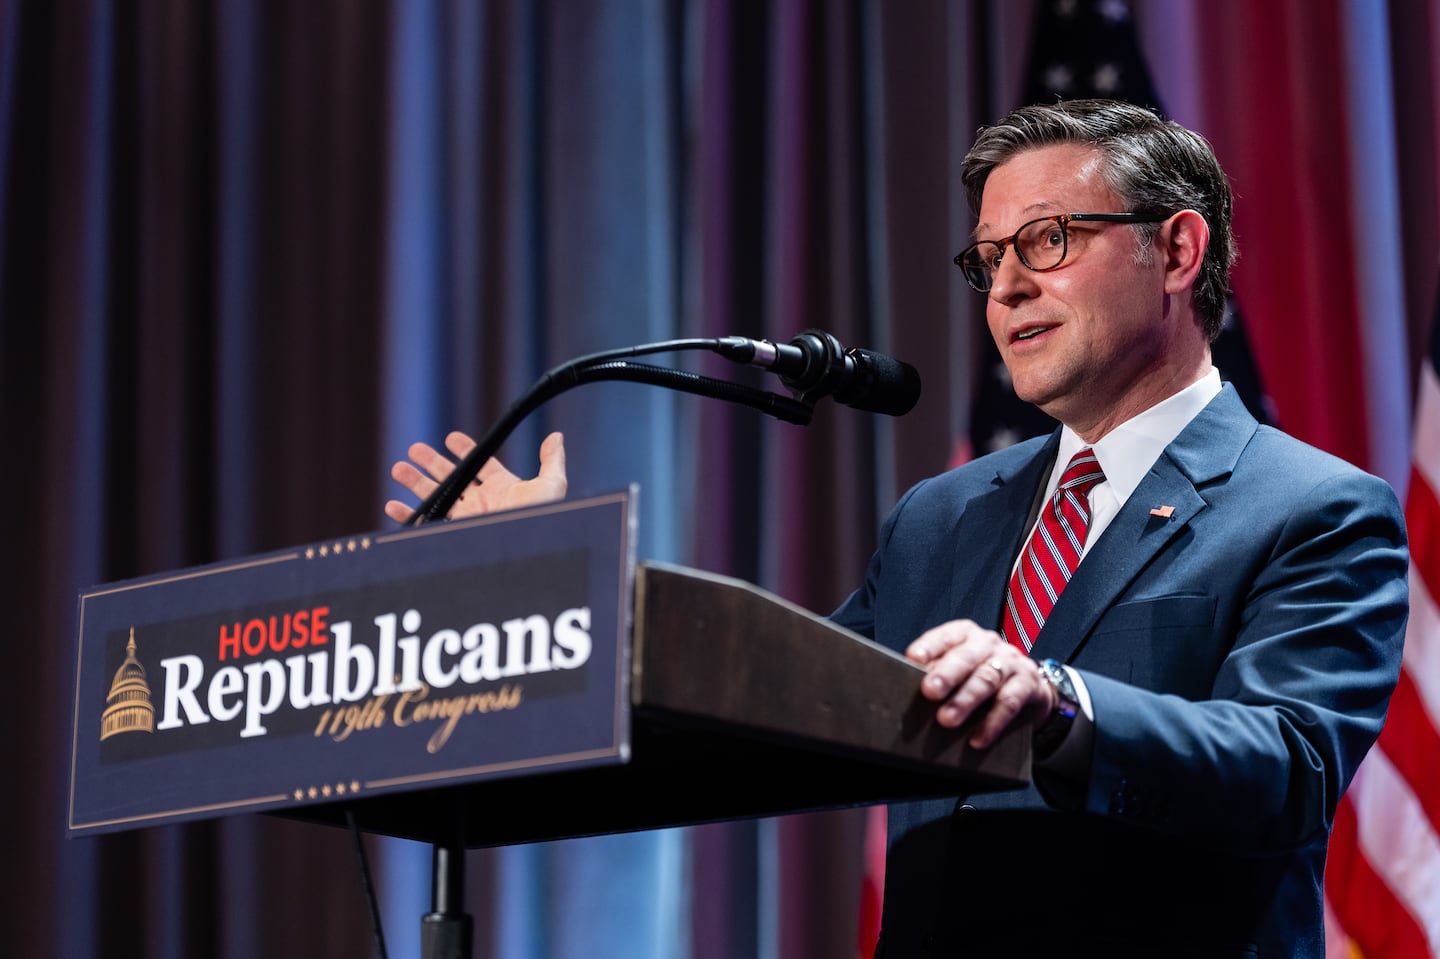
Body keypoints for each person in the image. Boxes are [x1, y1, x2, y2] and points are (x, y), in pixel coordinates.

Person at [386, 100, 1409, 958]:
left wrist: (1060, 703)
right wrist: (566, 589)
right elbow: (781, 700)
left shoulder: (1310, 508)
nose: (1007, 285)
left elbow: (1287, 762)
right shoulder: (944, 514)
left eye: (1049, 240)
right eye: (989, 257)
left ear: (1176, 248)